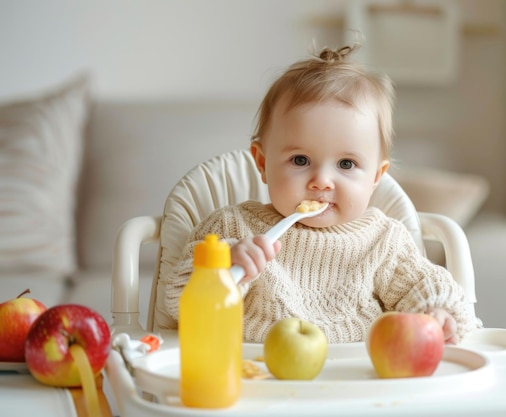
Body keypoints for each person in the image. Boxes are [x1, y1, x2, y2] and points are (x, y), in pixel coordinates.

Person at [165, 44, 477, 345]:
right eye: (300, 160)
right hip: (254, 379)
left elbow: (424, 284)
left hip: (357, 383)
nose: (322, 181)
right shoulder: (232, 229)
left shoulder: (382, 242)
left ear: (376, 178)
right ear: (262, 163)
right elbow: (180, 307)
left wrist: (438, 312)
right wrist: (225, 264)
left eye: (346, 163)